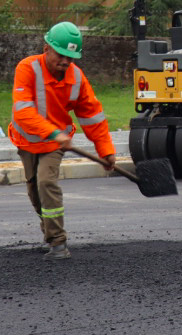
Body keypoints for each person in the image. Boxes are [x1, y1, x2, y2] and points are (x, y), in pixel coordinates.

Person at [9, 21, 116, 259]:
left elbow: (92, 116)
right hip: (28, 140)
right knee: (34, 192)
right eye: (61, 55)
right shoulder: (27, 68)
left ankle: (58, 243)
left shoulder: (76, 77)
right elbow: (23, 111)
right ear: (46, 48)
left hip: (55, 145)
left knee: (46, 183)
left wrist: (106, 150)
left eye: (71, 57)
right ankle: (50, 231)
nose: (66, 61)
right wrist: (53, 132)